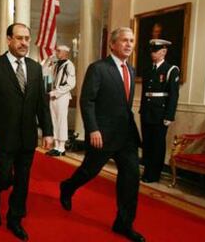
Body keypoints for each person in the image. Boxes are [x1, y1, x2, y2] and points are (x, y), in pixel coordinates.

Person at [59, 27, 145, 242]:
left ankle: (123, 224)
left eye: (131, 41)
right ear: (112, 44)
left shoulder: (131, 70)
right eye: (124, 40)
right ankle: (68, 186)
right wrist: (93, 129)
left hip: (126, 137)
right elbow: (87, 101)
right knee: (89, 171)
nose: (128, 44)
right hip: (103, 135)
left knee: (131, 180)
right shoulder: (98, 68)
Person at [0, 23, 53, 241]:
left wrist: (47, 132)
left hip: (28, 137)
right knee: (4, 177)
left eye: (27, 39)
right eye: (19, 38)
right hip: (3, 136)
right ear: (8, 39)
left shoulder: (35, 67)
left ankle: (15, 219)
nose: (24, 43)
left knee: (22, 180)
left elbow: (42, 103)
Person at [139, 39, 180, 183]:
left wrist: (169, 115)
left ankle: (154, 174)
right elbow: (145, 92)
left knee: (157, 144)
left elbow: (173, 95)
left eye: (155, 51)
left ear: (164, 52)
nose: (152, 54)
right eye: (152, 51)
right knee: (148, 143)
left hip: (160, 112)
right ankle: (147, 172)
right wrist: (142, 110)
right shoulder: (148, 69)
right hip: (147, 111)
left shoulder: (170, 70)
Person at [46, 45, 76, 157]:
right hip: (53, 95)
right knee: (54, 120)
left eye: (58, 51)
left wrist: (57, 92)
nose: (56, 52)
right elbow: (44, 72)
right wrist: (49, 60)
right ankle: (56, 146)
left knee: (61, 121)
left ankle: (62, 147)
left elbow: (71, 84)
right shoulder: (55, 64)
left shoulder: (69, 65)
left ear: (65, 53)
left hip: (62, 96)